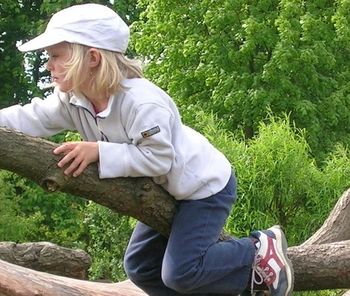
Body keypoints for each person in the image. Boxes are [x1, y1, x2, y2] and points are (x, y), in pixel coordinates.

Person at [0, 3, 294, 296]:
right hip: (165, 190)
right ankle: (239, 281)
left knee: (182, 271)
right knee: (141, 267)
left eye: (56, 56)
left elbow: (159, 159)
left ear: (92, 58)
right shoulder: (75, 99)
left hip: (203, 188)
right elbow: (31, 117)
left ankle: (257, 248)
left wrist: (99, 151)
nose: (48, 65)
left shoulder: (141, 102)